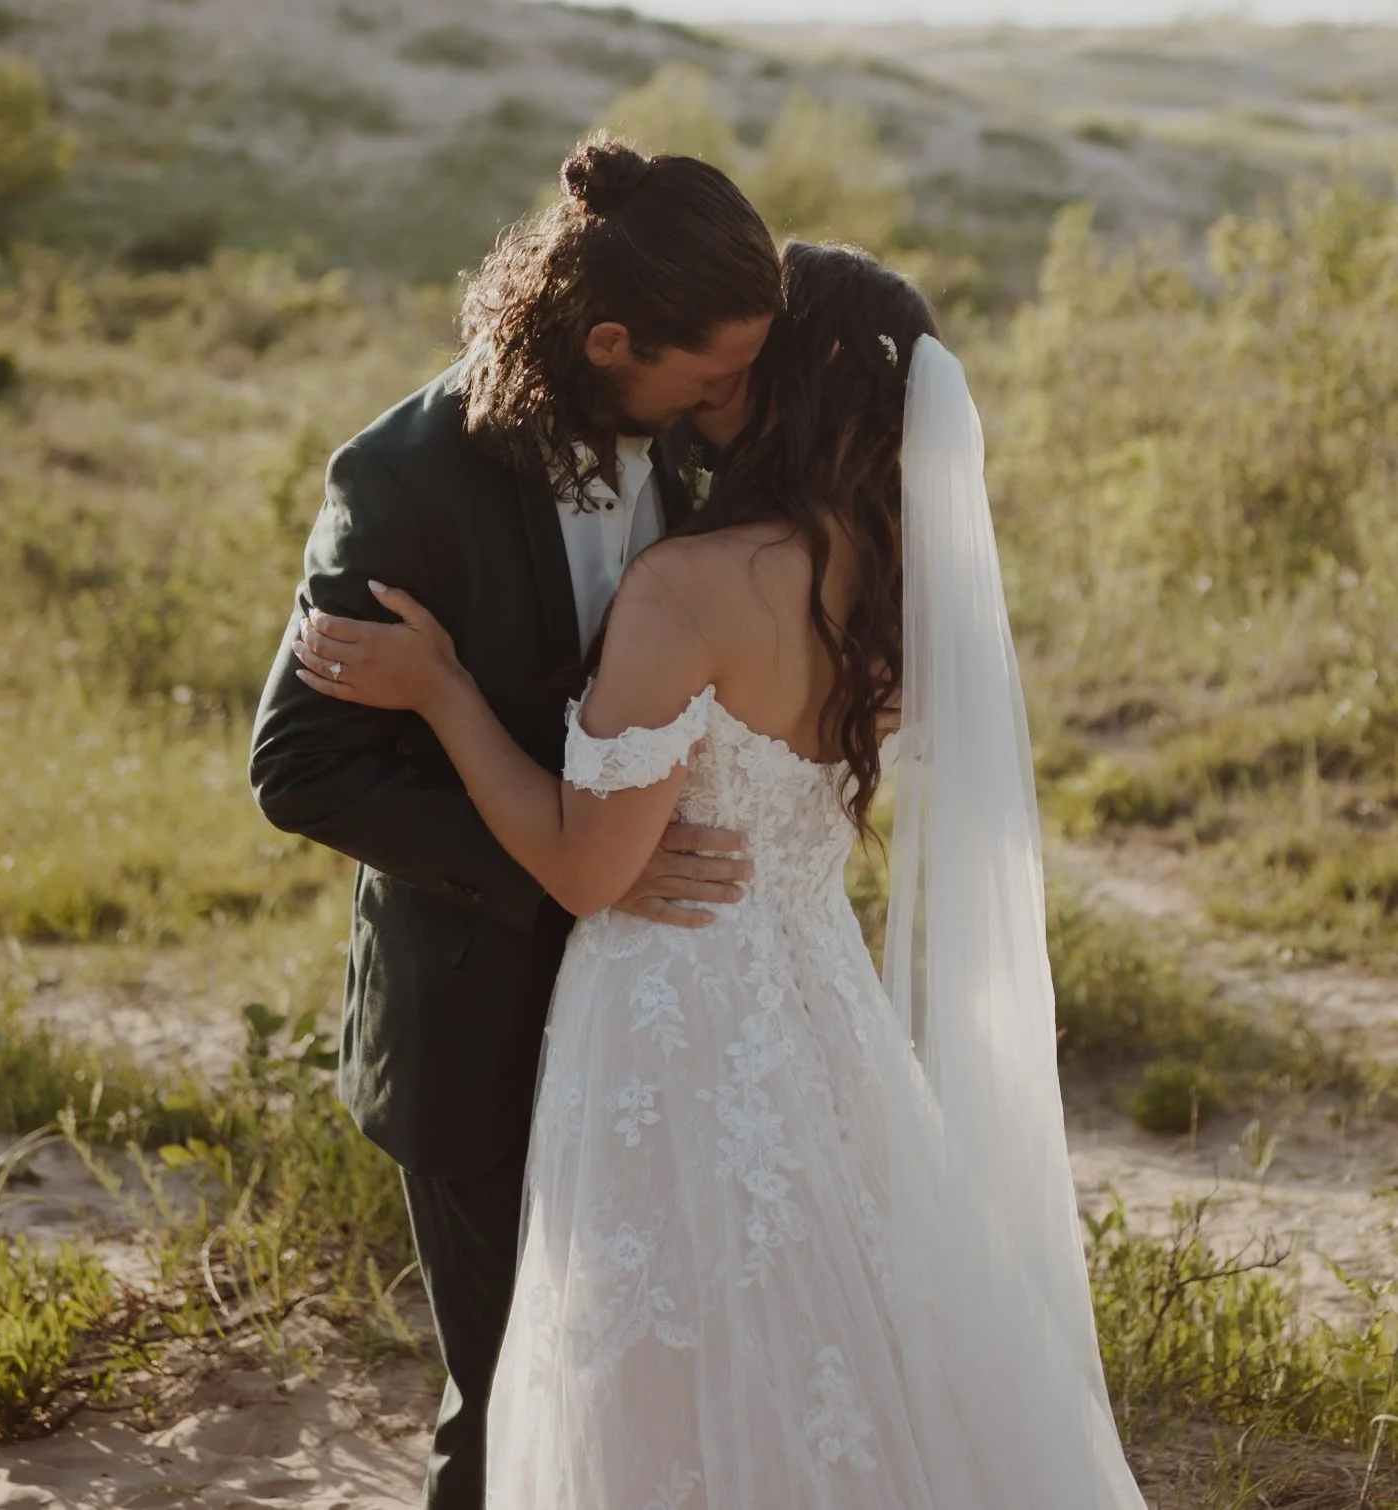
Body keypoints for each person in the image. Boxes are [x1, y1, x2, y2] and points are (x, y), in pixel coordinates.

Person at [294, 239, 1150, 1508]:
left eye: (748, 351)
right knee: (841, 1342)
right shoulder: (894, 582)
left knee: (653, 1374)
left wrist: (445, 693)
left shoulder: (691, 585)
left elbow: (591, 865)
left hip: (670, 1016)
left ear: (786, 381)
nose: (716, 369)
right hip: (815, 1002)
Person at [249, 138, 783, 1510]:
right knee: (507, 1400)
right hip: (478, 1010)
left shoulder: (709, 445)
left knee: (642, 1379)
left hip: (668, 1017)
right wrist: (570, 862)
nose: (734, 391)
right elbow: (300, 767)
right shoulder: (403, 477)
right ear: (609, 338)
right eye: (709, 367)